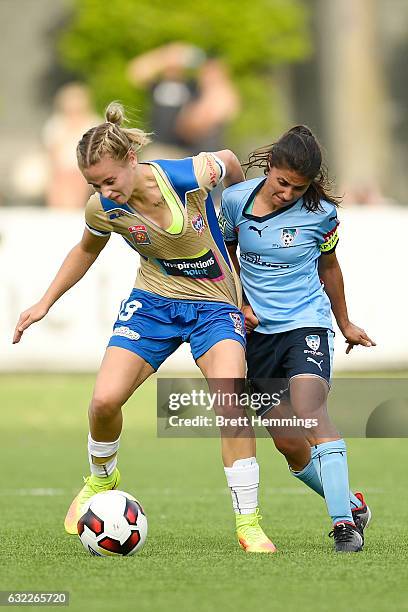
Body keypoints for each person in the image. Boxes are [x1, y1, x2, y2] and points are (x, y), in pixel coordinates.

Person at [13, 102, 275, 554]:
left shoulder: (187, 175)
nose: (104, 192)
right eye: (94, 185)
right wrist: (44, 302)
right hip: (153, 303)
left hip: (214, 304)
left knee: (230, 404)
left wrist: (242, 213)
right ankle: (101, 480)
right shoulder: (102, 209)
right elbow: (85, 251)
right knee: (103, 401)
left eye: (109, 181)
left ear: (131, 161)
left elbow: (230, 160)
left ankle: (248, 524)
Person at [219, 125, 376, 553]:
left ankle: (343, 525)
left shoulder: (322, 213)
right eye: (282, 182)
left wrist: (343, 323)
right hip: (258, 336)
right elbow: (226, 258)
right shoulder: (234, 202)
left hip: (305, 324)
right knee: (289, 444)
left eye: (298, 187)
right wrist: (240, 303)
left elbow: (329, 267)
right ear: (269, 168)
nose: (288, 193)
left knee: (310, 412)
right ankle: (350, 502)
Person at [127, 43, 240, 159]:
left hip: (184, 151)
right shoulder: (157, 85)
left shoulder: (192, 86)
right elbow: (136, 72)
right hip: (158, 148)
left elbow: (222, 94)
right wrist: (165, 55)